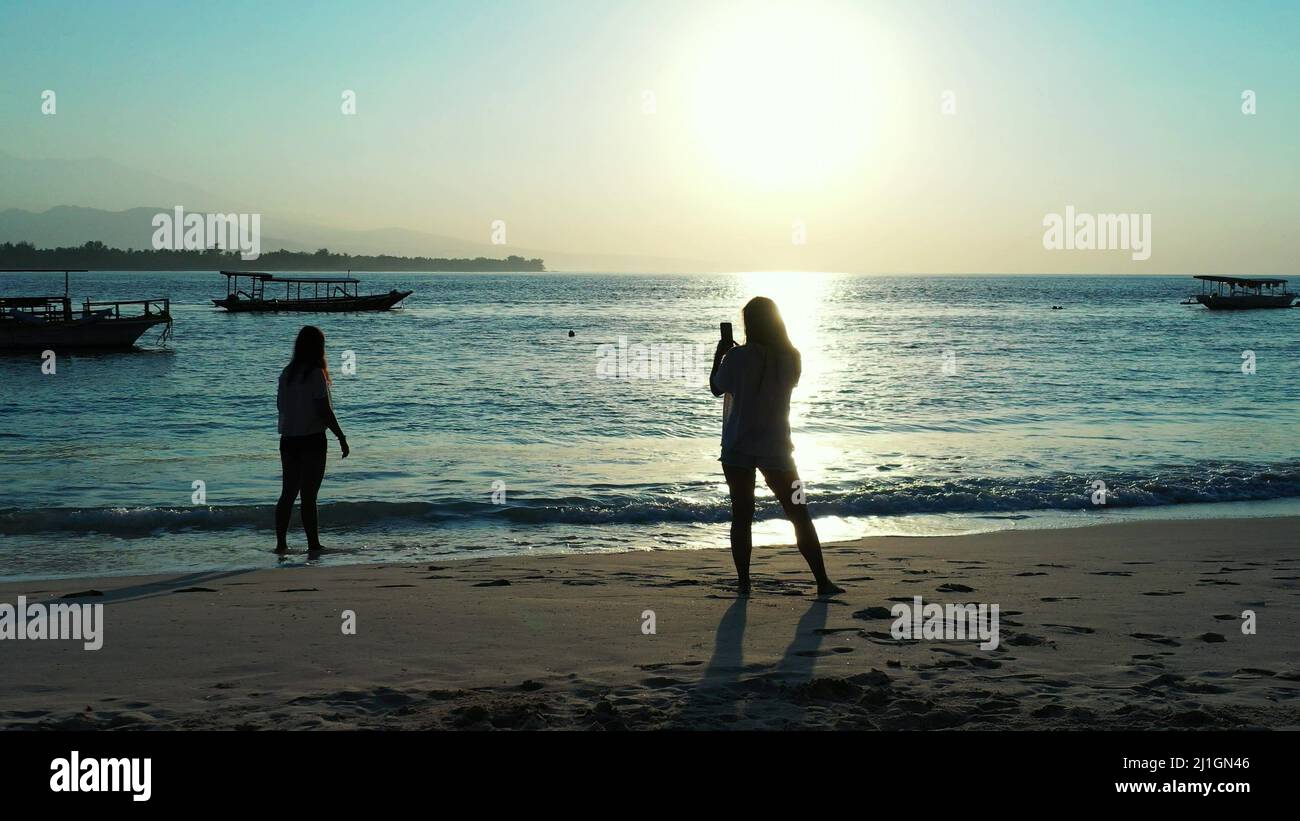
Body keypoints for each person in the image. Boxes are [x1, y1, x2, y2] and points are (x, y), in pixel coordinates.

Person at [710, 297, 842, 597]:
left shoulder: (737, 358)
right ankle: (822, 581)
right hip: (777, 448)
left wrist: (720, 355)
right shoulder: (792, 357)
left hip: (737, 448)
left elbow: (716, 387)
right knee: (799, 513)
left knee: (741, 516)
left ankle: (744, 584)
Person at [275, 325, 349, 554]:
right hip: (312, 440)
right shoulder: (316, 374)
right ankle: (313, 544)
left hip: (288, 439)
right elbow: (324, 411)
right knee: (309, 496)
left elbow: (280, 406)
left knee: (288, 493)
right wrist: (341, 436)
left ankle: (281, 544)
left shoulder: (287, 373)